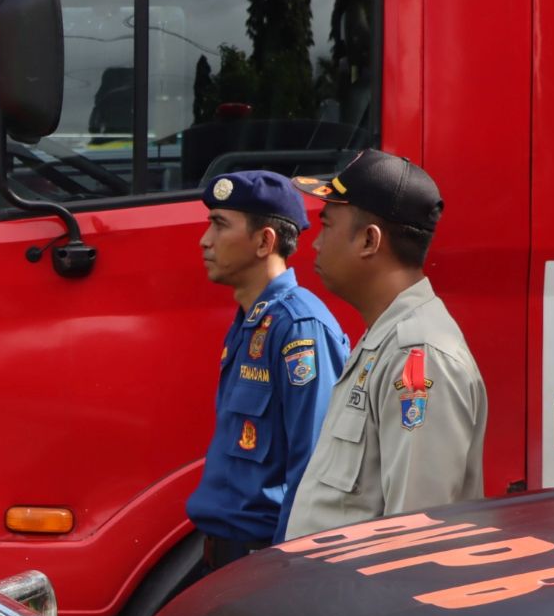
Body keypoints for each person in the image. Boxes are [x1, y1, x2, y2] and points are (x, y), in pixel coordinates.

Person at [284, 151, 487, 538]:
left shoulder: (420, 356)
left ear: (368, 240)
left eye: (327, 226)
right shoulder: (386, 339)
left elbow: (417, 541)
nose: (315, 244)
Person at [184, 171, 349, 567]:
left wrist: (286, 572)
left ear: (264, 241)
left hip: (262, 562)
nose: (205, 240)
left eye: (220, 225)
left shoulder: (298, 327)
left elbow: (314, 469)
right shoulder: (253, 320)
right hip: (227, 554)